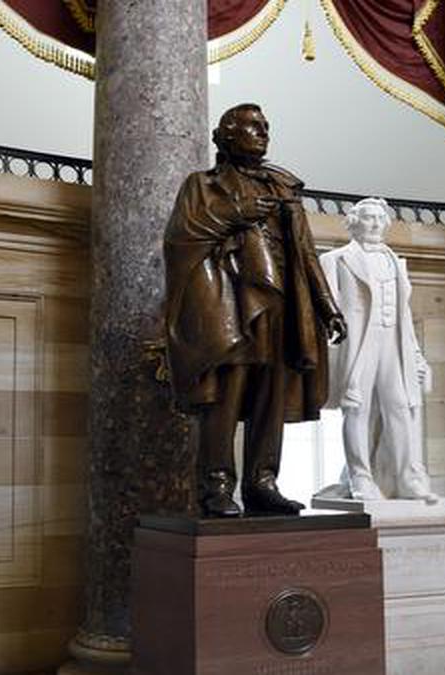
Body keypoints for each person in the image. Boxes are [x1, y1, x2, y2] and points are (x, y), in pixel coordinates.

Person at [163, 103, 347, 518]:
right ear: (227, 135)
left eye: (266, 127)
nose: (263, 133)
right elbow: (180, 238)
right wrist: (235, 214)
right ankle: (217, 487)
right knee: (226, 398)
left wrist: (326, 305)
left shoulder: (283, 186)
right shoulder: (202, 185)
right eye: (253, 127)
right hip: (231, 302)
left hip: (282, 303)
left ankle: (262, 483)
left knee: (271, 398)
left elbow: (305, 252)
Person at [319, 198, 436, 502]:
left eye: (378, 218)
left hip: (392, 341)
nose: (373, 224)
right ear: (354, 222)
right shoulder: (335, 259)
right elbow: (324, 310)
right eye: (367, 218)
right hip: (356, 343)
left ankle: (408, 477)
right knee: (356, 408)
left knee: (400, 406)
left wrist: (417, 354)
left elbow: (404, 314)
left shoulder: (395, 262)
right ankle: (361, 477)